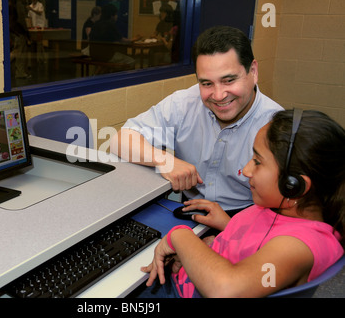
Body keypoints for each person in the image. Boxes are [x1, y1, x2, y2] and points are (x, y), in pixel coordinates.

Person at [138, 109, 345, 298]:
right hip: (187, 278)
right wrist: (226, 230)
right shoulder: (282, 212)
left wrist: (181, 237)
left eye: (257, 161)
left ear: (293, 185)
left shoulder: (299, 246)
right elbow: (263, 246)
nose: (246, 170)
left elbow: (226, 290)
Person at [109, 26, 283, 216]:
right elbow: (120, 140)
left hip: (248, 218)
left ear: (254, 71)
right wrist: (164, 160)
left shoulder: (275, 124)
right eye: (207, 83)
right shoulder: (184, 102)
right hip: (187, 210)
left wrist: (230, 231)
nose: (218, 95)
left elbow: (285, 209)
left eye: (229, 80)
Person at [89, 4, 142, 69]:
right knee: (131, 61)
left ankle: (110, 73)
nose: (117, 16)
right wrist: (134, 39)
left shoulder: (96, 24)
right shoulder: (110, 25)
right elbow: (123, 41)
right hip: (106, 56)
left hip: (94, 55)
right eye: (116, 14)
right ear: (112, 16)